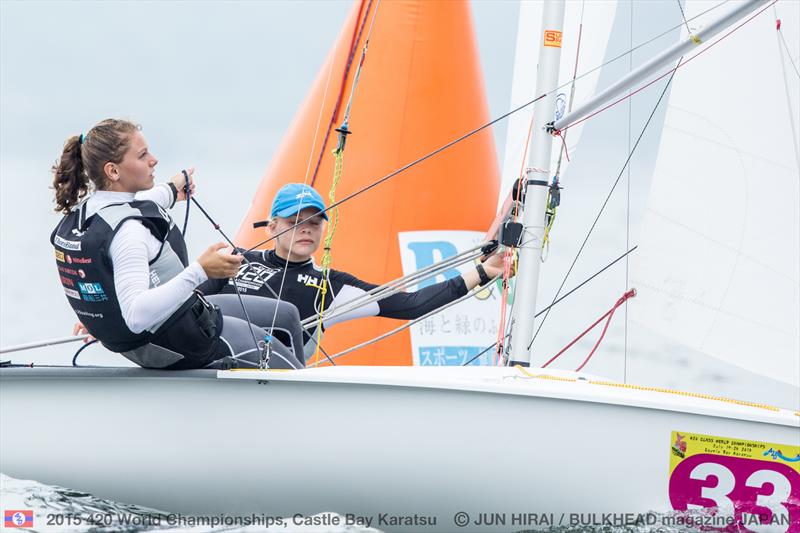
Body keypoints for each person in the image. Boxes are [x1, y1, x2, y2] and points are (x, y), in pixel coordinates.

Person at [53, 119, 305, 370]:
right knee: (266, 344)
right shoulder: (129, 234)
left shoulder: (87, 212)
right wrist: (201, 271)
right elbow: (136, 316)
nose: (154, 160)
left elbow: (137, 206)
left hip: (162, 329)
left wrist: (173, 190)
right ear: (113, 171)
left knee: (286, 315)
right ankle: (309, 397)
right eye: (142, 156)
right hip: (180, 343)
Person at [201, 183, 508, 360]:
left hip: (268, 384)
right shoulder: (235, 259)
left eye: (315, 222)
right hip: (207, 369)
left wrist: (482, 272)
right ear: (271, 226)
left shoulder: (330, 286)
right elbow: (185, 300)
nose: (306, 229)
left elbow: (411, 305)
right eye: (295, 221)